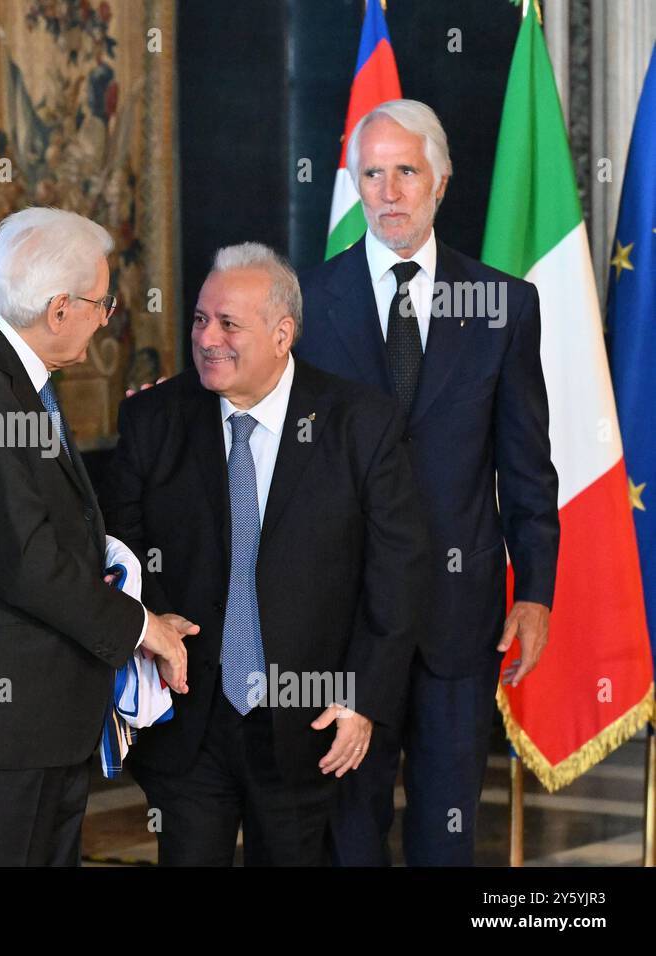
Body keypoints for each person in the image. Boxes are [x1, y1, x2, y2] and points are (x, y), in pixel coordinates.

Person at [101, 242, 427, 865]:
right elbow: (122, 543)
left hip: (308, 723)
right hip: (186, 714)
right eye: (200, 319)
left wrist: (362, 695)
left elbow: (397, 574)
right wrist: (152, 623)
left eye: (229, 324)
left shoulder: (360, 424)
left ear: (283, 334)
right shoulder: (154, 417)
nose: (207, 337)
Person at [296, 99, 560, 865]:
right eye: (371, 174)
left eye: (405, 171)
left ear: (440, 182)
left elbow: (527, 464)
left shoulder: (505, 305)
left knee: (447, 834)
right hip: (343, 621)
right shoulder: (306, 303)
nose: (389, 191)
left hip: (458, 616)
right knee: (348, 833)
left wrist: (536, 591)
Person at [0, 206, 199, 866]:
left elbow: (61, 538)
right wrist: (142, 629)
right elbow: (26, 561)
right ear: (60, 308)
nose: (108, 316)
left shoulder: (6, 379)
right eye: (101, 302)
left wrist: (138, 618)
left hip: (37, 722)